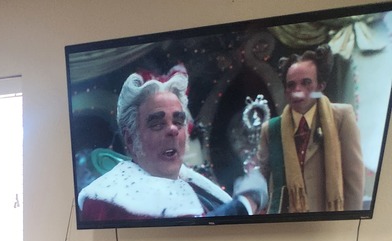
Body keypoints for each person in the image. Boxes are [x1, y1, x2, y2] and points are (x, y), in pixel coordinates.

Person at [77, 67, 267, 222]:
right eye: (157, 124)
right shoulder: (109, 203)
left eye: (178, 121)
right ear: (130, 139)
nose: (173, 130)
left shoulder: (193, 183)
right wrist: (247, 201)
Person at [257, 45, 365, 213]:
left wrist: (348, 228)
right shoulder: (271, 130)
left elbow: (354, 183)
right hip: (286, 229)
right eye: (291, 85)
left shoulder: (342, 117)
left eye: (306, 83)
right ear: (286, 91)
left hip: (328, 225)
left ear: (320, 86)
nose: (297, 91)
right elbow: (260, 184)